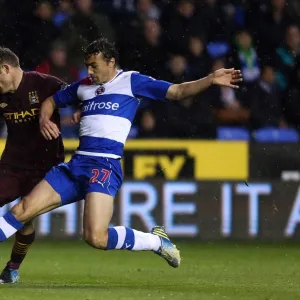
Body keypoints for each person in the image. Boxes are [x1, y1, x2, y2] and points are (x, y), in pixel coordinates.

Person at [0, 39, 242, 269]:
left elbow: (177, 91)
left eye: (94, 66)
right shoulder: (84, 87)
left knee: (96, 237)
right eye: (87, 66)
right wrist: (45, 117)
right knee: (20, 211)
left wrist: (210, 79)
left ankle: (156, 241)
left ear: (111, 62)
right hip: (75, 166)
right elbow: (51, 101)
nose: (89, 71)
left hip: (104, 166)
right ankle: (13, 267)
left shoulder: (131, 81)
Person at [0, 47, 65, 283]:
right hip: (12, 165)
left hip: (46, 168)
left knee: (25, 220)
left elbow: (81, 96)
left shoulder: (46, 84)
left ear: (5, 68)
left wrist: (79, 113)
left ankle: (12, 268)